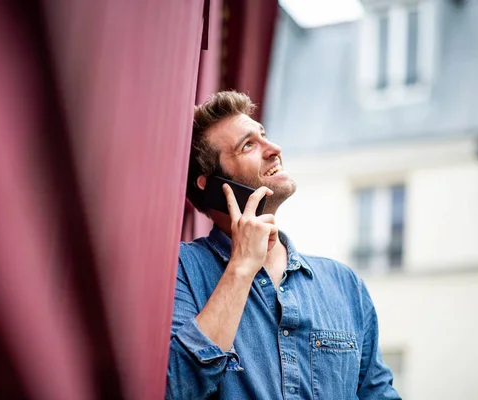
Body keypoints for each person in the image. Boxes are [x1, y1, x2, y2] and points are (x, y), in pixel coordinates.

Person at [166, 91, 401, 399]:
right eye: (248, 145)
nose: (274, 149)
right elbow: (175, 388)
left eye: (263, 135)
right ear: (210, 186)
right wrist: (241, 268)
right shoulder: (181, 270)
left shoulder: (346, 286)